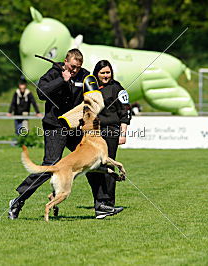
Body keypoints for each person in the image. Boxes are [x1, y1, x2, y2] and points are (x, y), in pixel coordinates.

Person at [8, 49, 124, 220]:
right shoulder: (54, 73)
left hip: (76, 126)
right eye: (72, 66)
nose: (75, 70)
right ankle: (18, 201)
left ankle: (102, 206)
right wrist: (62, 81)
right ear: (65, 61)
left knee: (93, 160)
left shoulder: (85, 76)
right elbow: (41, 93)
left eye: (78, 67)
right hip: (55, 126)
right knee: (51, 163)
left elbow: (94, 97)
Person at [86, 60, 131, 216]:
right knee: (92, 168)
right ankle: (99, 201)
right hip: (93, 132)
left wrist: (123, 134)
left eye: (108, 72)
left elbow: (125, 112)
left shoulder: (117, 88)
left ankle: (109, 203)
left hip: (111, 131)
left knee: (108, 167)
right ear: (96, 73)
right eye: (102, 73)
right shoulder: (90, 88)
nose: (106, 76)